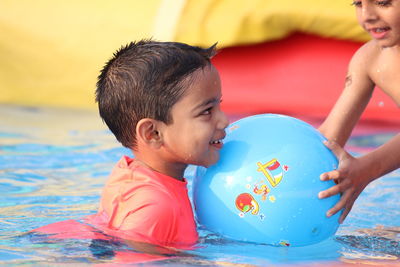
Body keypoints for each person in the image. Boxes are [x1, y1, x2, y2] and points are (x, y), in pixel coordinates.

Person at [86, 40, 229, 255]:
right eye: (207, 111)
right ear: (152, 133)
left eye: (219, 104)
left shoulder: (129, 175)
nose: (224, 120)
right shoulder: (157, 207)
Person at [317, 0, 400, 223]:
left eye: (383, 2)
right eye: (358, 3)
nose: (367, 16)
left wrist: (366, 169)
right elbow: (327, 140)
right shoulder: (371, 59)